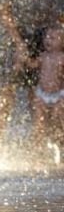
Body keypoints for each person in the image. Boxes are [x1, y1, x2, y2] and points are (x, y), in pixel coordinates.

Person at [0, 0, 64, 147]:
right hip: (13, 28)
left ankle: (39, 139)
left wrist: (56, 43)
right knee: (7, 84)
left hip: (45, 29)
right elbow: (4, 12)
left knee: (38, 86)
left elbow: (61, 18)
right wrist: (18, 44)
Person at [30, 27, 64, 156]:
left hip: (58, 94)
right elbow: (32, 65)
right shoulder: (43, 56)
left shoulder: (62, 57)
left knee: (58, 117)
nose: (48, 40)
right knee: (38, 120)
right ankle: (36, 147)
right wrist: (24, 60)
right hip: (42, 93)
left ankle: (58, 142)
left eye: (53, 38)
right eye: (47, 37)